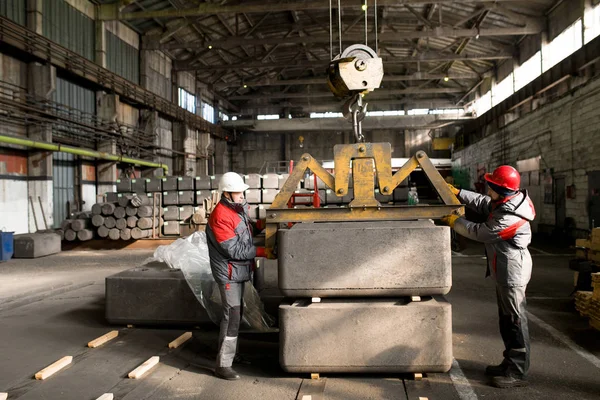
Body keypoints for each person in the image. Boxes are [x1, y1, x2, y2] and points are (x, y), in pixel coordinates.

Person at [441, 165, 536, 389]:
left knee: (515, 321)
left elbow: (481, 232)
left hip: (513, 273)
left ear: (499, 190)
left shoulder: (510, 217)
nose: (487, 188)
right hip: (504, 269)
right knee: (506, 319)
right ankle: (509, 362)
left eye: (490, 185)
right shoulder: (507, 201)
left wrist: (456, 222)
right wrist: (458, 192)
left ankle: (517, 371)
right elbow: (484, 203)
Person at [206, 172, 275, 380]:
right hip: (228, 274)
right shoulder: (220, 216)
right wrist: (262, 251)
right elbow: (233, 250)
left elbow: (247, 230)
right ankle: (223, 365)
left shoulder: (237, 209)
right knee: (232, 315)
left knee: (237, 313)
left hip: (239, 271)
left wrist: (262, 225)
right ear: (227, 193)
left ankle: (230, 356)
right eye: (238, 192)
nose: (243, 194)